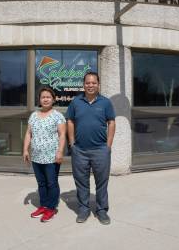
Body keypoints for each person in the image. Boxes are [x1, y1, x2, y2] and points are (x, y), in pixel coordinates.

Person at [66, 71, 116, 225]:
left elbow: (112, 122)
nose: (90, 85)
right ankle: (83, 209)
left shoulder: (105, 102)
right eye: (88, 83)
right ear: (84, 85)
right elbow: (70, 121)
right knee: (81, 181)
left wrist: (108, 146)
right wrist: (72, 143)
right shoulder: (76, 102)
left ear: (98, 84)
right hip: (80, 150)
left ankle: (101, 210)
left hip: (100, 149)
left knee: (102, 181)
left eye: (93, 83)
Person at [23, 87, 66, 222]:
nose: (45, 99)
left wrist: (60, 151)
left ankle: (51, 208)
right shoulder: (34, 115)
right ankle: (44, 205)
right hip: (36, 157)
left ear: (53, 99)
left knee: (51, 183)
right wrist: (25, 150)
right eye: (43, 97)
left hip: (51, 157)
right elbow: (28, 133)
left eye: (48, 97)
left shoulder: (57, 116)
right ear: (40, 100)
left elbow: (62, 135)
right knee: (41, 183)